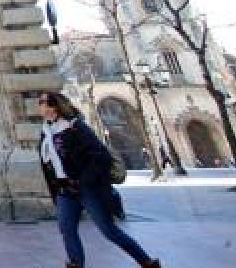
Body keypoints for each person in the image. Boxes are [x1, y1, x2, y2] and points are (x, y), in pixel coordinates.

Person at [38, 91, 162, 268]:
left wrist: (84, 181)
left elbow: (101, 156)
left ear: (55, 106)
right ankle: (76, 264)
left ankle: (147, 262)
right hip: (65, 190)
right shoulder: (46, 132)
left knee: (109, 231)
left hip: (87, 189)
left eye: (43, 102)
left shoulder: (75, 127)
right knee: (67, 229)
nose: (40, 105)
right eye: (40, 102)